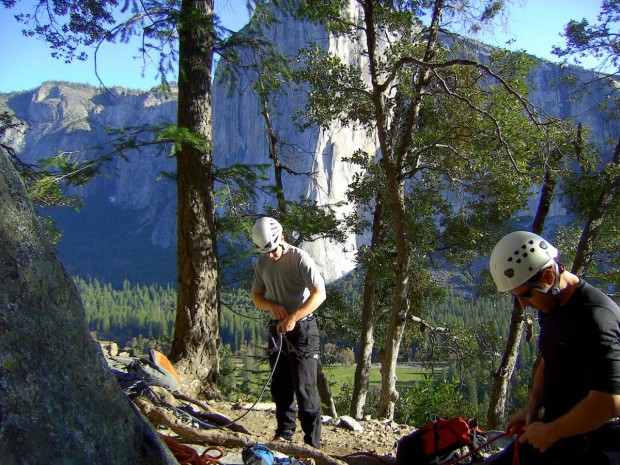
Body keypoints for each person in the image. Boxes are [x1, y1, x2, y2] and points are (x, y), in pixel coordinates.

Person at [484, 231, 620, 464]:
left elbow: (609, 402)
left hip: (596, 440)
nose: (523, 305)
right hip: (559, 430)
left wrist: (551, 432)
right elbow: (550, 358)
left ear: (548, 276)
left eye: (525, 295)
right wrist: (533, 406)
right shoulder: (551, 304)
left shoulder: (596, 318)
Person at [250, 217, 326, 449]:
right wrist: (271, 306)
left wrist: (294, 316)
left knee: (304, 387)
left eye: (274, 250)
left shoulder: (299, 258)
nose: (271, 255)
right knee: (280, 384)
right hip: (277, 327)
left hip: (302, 329)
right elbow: (256, 296)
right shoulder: (263, 262)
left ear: (282, 238)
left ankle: (311, 444)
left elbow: (319, 293)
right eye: (267, 252)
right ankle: (284, 432)